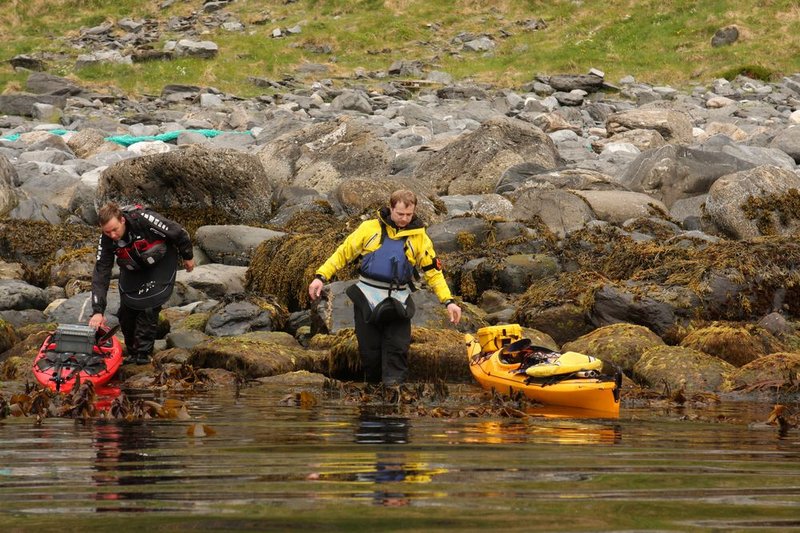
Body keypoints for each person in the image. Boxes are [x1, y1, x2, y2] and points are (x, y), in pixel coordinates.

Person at [308, 190, 461, 384]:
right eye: (400, 214)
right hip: (367, 300)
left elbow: (434, 273)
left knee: (397, 353)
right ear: (391, 209)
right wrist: (320, 276)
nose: (405, 219)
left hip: (398, 302)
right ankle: (371, 402)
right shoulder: (369, 229)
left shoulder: (420, 238)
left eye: (409, 215)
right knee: (370, 356)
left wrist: (448, 302)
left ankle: (394, 400)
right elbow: (342, 254)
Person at [89, 202, 194, 364]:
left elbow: (179, 232)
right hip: (134, 267)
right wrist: (98, 311)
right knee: (126, 311)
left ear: (122, 220)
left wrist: (187, 256)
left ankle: (143, 356)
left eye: (115, 229)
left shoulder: (143, 219)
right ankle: (132, 353)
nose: (113, 235)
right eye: (107, 232)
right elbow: (101, 273)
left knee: (148, 307)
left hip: (160, 262)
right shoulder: (107, 239)